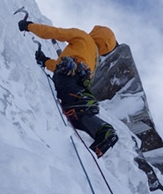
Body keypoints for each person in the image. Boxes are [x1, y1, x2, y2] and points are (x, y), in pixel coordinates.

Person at [18, 17, 119, 157]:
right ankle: (102, 130)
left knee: (69, 92)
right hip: (80, 83)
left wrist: (29, 26)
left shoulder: (83, 37)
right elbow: (66, 69)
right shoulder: (94, 60)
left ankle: (83, 106)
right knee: (77, 112)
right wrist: (46, 60)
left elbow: (53, 32)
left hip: (67, 77)